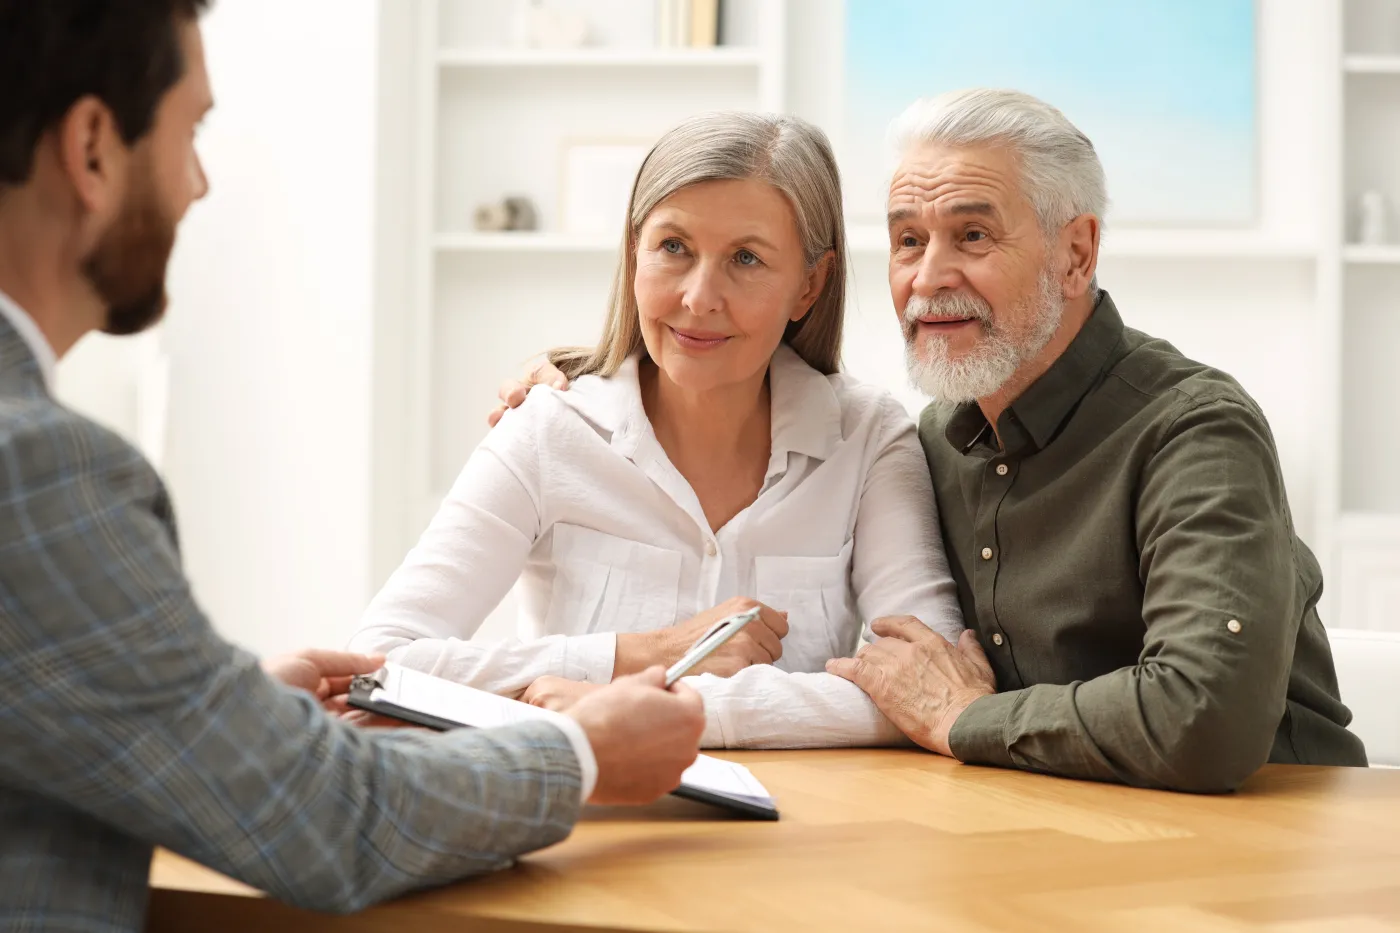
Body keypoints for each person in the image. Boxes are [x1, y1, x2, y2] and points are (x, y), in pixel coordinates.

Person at [0, 3, 705, 929]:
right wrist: (578, 754)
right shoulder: (39, 467)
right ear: (93, 147)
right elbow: (324, 818)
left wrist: (230, 707)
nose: (198, 185)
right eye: (190, 133)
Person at [497, 89, 1368, 792]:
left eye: (973, 235)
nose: (928, 275)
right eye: (909, 240)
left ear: (1077, 254)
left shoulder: (1193, 428)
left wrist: (961, 720)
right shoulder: (932, 441)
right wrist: (595, 372)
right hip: (1039, 826)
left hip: (1269, 850)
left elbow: (1204, 716)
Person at [351, 112, 965, 750]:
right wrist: (644, 653)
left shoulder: (869, 441)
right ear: (634, 252)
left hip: (804, 835)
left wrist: (670, 704)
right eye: (674, 248)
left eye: (746, 259)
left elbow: (931, 686)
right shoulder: (547, 430)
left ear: (808, 286)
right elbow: (380, 664)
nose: (700, 297)